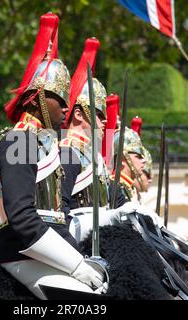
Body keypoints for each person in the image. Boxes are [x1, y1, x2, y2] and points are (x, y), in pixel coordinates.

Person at [0, 14, 107, 300]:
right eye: (60, 100)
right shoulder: (19, 140)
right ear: (39, 97)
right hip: (22, 251)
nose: (66, 108)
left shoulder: (40, 143)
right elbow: (23, 219)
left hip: (47, 250)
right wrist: (78, 266)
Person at [59, 38, 130, 242]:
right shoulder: (67, 152)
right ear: (80, 114)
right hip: (81, 241)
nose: (104, 120)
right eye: (99, 113)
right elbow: (61, 214)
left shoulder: (93, 156)